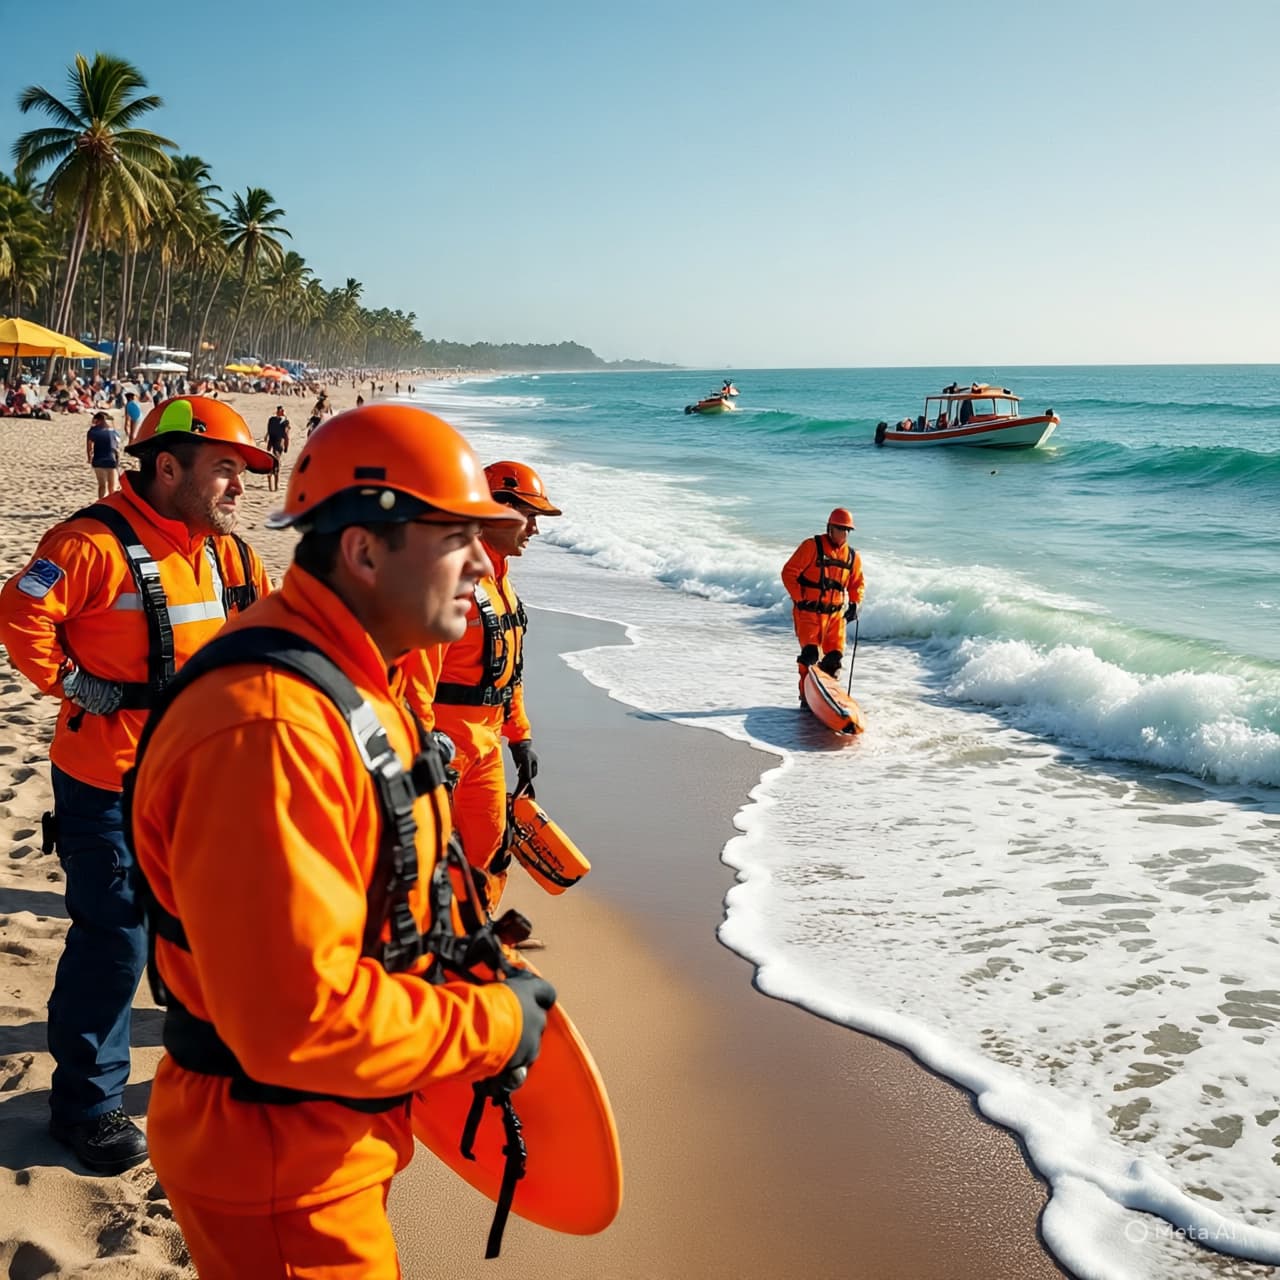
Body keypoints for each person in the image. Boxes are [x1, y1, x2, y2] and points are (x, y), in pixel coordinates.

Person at [129, 404, 554, 1277]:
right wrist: (489, 1024)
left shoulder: (357, 675)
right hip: (283, 1158)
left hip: (325, 1129)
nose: (484, 562)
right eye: (456, 538)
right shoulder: (273, 727)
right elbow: (297, 1024)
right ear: (363, 551)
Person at [0, 396, 274, 1176]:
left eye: (243, 473)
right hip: (108, 781)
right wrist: (76, 687)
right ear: (166, 467)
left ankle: (206, 1066)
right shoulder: (88, 544)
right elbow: (19, 614)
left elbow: (267, 634)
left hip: (206, 783)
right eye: (225, 469)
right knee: (115, 941)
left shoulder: (232, 556)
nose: (238, 488)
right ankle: (85, 1107)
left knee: (206, 933)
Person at [403, 460, 562, 910]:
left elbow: (507, 672)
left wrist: (521, 737)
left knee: (491, 851)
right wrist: (423, 747)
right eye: (528, 516)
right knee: (430, 858)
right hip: (446, 749)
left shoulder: (501, 585)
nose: (534, 528)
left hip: (487, 747)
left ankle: (479, 937)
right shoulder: (448, 579)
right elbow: (416, 674)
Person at [780, 507, 865, 702]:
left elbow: (857, 583)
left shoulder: (852, 557)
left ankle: (828, 698)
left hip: (835, 617)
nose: (843, 534)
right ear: (830, 528)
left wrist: (855, 603)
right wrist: (799, 597)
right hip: (809, 614)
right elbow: (788, 573)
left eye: (847, 530)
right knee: (810, 656)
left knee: (834, 659)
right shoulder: (811, 547)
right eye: (840, 529)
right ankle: (805, 698)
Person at [85, 411, 121, 498]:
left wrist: (90, 458)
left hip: (98, 460)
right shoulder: (114, 433)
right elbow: (117, 449)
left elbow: (89, 447)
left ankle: (101, 503)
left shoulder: (92, 431)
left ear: (97, 420)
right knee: (112, 487)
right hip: (111, 460)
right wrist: (118, 462)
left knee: (102, 486)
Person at [264, 404, 291, 492]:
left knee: (273, 460)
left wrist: (268, 441)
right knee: (277, 462)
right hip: (279, 443)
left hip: (272, 441)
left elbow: (269, 432)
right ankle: (275, 486)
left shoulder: (271, 420)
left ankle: (272, 485)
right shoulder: (285, 422)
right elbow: (286, 435)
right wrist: (286, 446)